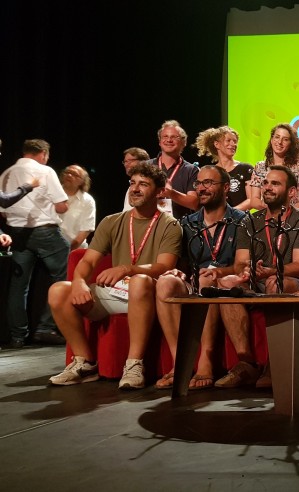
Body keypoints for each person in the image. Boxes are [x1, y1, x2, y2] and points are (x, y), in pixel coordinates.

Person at [47, 163, 182, 388]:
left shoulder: (170, 224)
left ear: (159, 192)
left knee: (139, 282)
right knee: (58, 290)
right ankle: (85, 362)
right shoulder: (112, 221)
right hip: (117, 293)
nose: (135, 189)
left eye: (143, 184)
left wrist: (127, 269)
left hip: (147, 294)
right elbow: (88, 261)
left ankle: (134, 364)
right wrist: (79, 282)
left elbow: (164, 266)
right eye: (132, 183)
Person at [153, 165, 252, 390]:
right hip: (194, 281)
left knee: (207, 279)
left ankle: (206, 360)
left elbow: (241, 265)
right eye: (198, 183)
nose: (201, 188)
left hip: (224, 283)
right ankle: (180, 362)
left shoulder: (243, 221)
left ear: (225, 187)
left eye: (208, 183)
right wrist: (177, 271)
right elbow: (182, 263)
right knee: (166, 283)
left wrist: (218, 272)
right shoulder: (187, 223)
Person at [230, 165, 299, 388]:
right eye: (266, 183)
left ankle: (273, 364)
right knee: (228, 283)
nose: (267, 187)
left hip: (289, 281)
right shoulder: (250, 220)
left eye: (275, 183)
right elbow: (239, 262)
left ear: (292, 192)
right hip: (257, 280)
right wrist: (247, 269)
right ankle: (246, 362)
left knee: (274, 282)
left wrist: (272, 271)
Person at [0, 139, 69, 348]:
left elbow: (2, 210)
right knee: (65, 275)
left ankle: (17, 336)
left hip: (17, 233)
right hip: (45, 231)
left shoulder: (6, 174)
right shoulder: (45, 171)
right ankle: (46, 328)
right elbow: (62, 206)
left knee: (19, 285)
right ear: (43, 154)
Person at [250, 123, 299, 212]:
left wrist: (285, 213)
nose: (279, 142)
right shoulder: (260, 167)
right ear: (271, 140)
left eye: (285, 139)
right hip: (267, 216)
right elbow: (254, 200)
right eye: (277, 137)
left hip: (293, 217)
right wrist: (271, 212)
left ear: (291, 143)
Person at [193, 126, 255, 210]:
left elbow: (251, 200)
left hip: (240, 217)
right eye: (228, 140)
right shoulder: (211, 172)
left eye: (235, 141)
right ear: (217, 144)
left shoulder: (245, 169)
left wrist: (232, 213)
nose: (233, 144)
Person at [147, 120, 199, 219]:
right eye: (165, 136)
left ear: (184, 142)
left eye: (174, 137)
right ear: (159, 142)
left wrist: (171, 193)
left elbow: (195, 203)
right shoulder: (146, 166)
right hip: (149, 223)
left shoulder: (192, 170)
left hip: (180, 225)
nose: (169, 140)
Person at [122, 147, 172, 215]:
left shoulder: (154, 186)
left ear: (144, 162)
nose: (127, 164)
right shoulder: (131, 188)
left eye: (131, 160)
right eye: (125, 161)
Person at [58, 164, 96, 250]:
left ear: (82, 181)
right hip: (47, 248)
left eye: (74, 174)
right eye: (67, 172)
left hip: (74, 249)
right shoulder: (52, 193)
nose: (69, 175)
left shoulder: (88, 201)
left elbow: (86, 229)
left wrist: (68, 250)